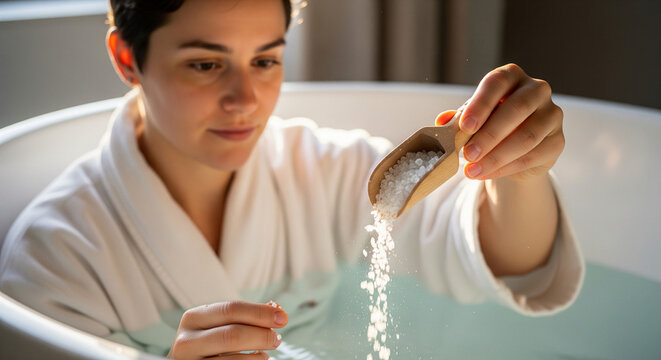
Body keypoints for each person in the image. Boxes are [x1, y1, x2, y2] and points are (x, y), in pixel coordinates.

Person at [0, 0, 584, 359]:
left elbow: (499, 257)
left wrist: (517, 173)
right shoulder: (55, 259)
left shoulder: (329, 170)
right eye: (205, 64)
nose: (245, 100)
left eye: (266, 60)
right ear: (127, 56)